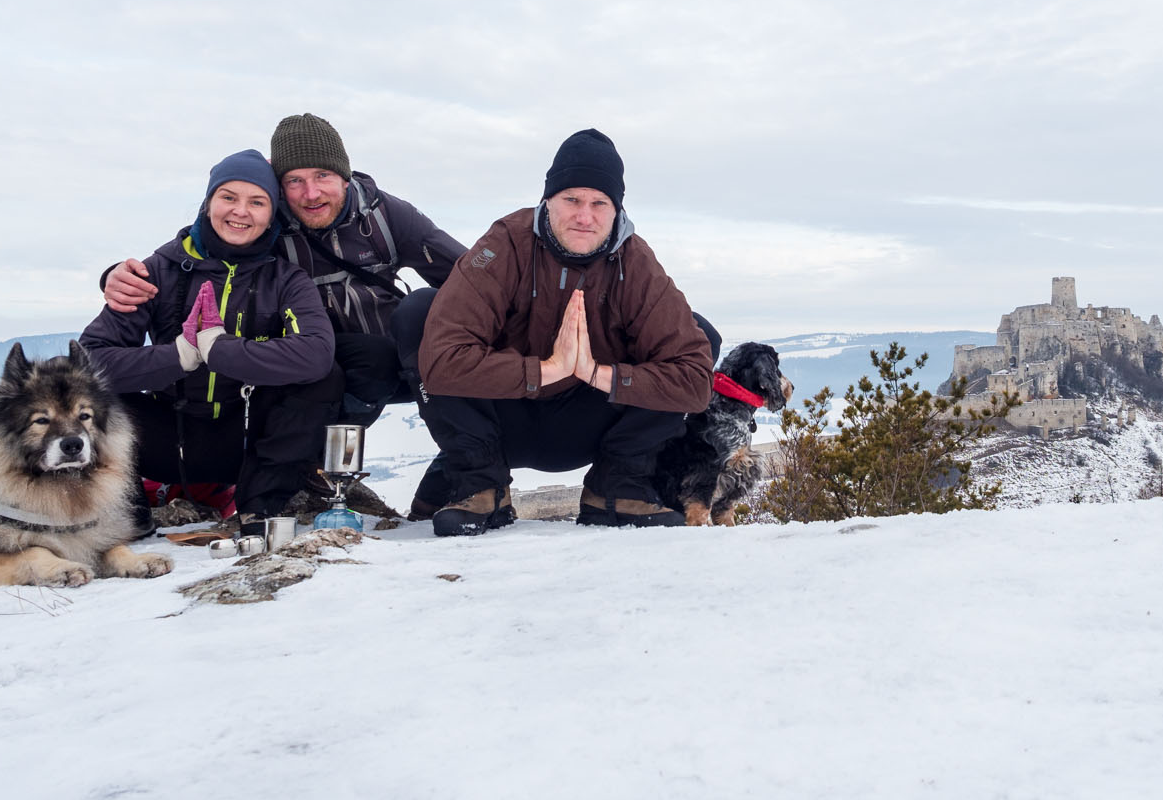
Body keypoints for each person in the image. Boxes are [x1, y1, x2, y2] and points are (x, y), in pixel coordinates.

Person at [101, 114, 467, 510]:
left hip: (383, 359)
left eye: (323, 175)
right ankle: (303, 470)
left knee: (398, 335)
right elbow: (203, 247)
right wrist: (117, 277)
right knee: (321, 369)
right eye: (294, 180)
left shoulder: (384, 217)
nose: (310, 193)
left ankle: (457, 478)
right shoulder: (262, 226)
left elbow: (465, 275)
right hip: (290, 373)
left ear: (345, 176)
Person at [402, 128, 714, 534]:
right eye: (571, 200)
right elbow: (442, 361)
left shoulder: (635, 262)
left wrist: (596, 373)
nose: (585, 216)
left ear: (617, 210)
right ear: (547, 201)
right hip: (501, 419)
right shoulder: (505, 245)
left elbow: (694, 381)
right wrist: (546, 369)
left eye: (599, 203)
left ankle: (617, 489)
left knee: (699, 335)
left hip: (590, 425)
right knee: (416, 314)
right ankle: (479, 486)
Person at [80, 151, 339, 538]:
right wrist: (180, 356)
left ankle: (258, 508)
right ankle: (127, 512)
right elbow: (89, 361)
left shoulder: (284, 278)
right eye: (228, 197)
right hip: (166, 439)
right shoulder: (157, 272)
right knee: (91, 397)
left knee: (326, 377)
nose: (241, 212)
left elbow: (316, 353)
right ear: (208, 203)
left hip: (248, 442)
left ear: (273, 214)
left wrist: (221, 351)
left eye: (257, 202)